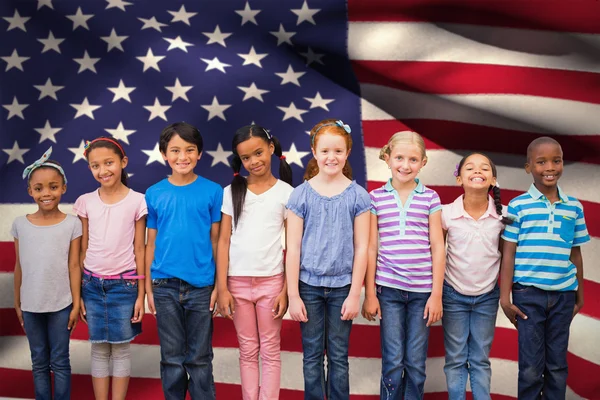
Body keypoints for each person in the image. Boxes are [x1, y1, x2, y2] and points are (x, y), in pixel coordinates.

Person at [500, 137, 590, 400]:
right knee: (530, 368)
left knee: (557, 366)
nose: (550, 167)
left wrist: (580, 295)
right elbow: (509, 254)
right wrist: (505, 298)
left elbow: (576, 254)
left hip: (563, 296)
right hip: (528, 295)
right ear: (529, 167)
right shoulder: (518, 206)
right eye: (541, 162)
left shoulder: (574, 207)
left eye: (556, 160)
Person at [286, 119, 370, 399]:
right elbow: (293, 248)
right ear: (314, 151)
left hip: (342, 288)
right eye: (325, 151)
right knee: (311, 356)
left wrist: (354, 293)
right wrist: (294, 295)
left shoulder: (358, 196)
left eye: (337, 151)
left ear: (347, 153)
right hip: (308, 286)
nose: (331, 157)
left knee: (338, 357)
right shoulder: (301, 195)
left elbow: (362, 247)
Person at [362, 131, 445, 400]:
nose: (405, 165)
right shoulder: (375, 198)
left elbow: (438, 246)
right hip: (389, 291)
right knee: (394, 360)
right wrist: (371, 293)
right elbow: (371, 247)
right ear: (387, 158)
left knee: (416, 363)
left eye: (413, 159)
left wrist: (436, 295)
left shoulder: (430, 198)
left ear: (423, 162)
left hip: (423, 293)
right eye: (399, 158)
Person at [145, 122, 223, 400]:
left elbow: (216, 241)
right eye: (175, 150)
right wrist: (147, 289)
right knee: (172, 358)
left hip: (202, 285)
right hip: (163, 285)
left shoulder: (213, 191)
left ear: (200, 153)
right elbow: (150, 243)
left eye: (189, 150)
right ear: (164, 154)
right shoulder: (154, 193)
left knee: (200, 358)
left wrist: (217, 286)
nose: (182, 157)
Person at [216, 124, 293, 400]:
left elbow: (292, 247)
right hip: (236, 284)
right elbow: (223, 241)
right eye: (246, 158)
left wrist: (285, 290)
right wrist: (222, 287)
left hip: (272, 283)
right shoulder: (231, 192)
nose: (254, 161)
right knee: (247, 350)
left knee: (270, 350)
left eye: (259, 153)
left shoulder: (287, 194)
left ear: (271, 149)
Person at [74, 137, 146, 400]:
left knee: (121, 349)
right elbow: (81, 250)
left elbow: (140, 249)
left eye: (109, 163)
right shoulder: (85, 202)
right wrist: (79, 293)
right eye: (95, 166)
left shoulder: (138, 201)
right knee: (99, 349)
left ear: (123, 162)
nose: (103, 170)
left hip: (124, 285)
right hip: (91, 285)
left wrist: (141, 295)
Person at [441, 153, 512, 400]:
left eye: (484, 168)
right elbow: (438, 256)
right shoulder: (447, 213)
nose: (477, 171)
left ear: (493, 179)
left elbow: (506, 257)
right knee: (456, 358)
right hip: (453, 294)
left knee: (480, 358)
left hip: (487, 297)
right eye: (470, 168)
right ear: (459, 178)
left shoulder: (502, 217)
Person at [12, 147, 82, 400]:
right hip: (31, 305)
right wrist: (17, 302)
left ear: (63, 187)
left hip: (61, 304)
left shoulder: (73, 224)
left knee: (60, 361)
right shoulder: (20, 224)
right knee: (39, 361)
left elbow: (75, 265)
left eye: (53, 187)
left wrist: (75, 304)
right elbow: (19, 265)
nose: (46, 193)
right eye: (39, 188)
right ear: (30, 191)